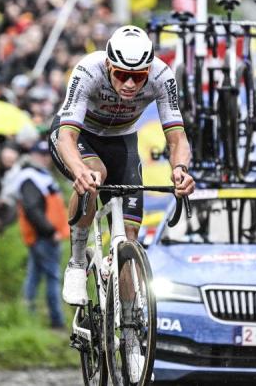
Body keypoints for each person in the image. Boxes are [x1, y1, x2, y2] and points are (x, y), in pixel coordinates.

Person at [48, 25, 195, 382]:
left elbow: (177, 137)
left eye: (137, 77)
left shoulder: (162, 76)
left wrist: (180, 170)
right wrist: (79, 170)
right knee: (93, 176)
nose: (130, 85)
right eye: (123, 75)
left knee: (129, 240)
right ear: (110, 66)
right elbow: (66, 134)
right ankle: (78, 261)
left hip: (123, 144)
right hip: (80, 139)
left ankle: (130, 337)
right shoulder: (88, 70)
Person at [15, 140, 70, 329]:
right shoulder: (30, 177)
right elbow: (32, 209)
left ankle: (25, 317)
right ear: (33, 155)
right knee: (53, 277)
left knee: (34, 276)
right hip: (45, 237)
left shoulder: (38, 175)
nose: (46, 159)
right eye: (42, 155)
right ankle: (57, 321)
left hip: (43, 236)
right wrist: (50, 230)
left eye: (47, 155)